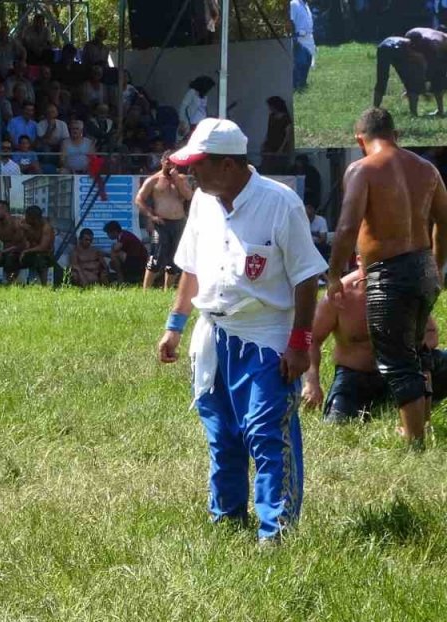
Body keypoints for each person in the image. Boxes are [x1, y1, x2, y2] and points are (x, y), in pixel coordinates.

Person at [156, 118, 326, 543]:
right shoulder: (202, 203)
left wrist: (300, 344)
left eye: (199, 164)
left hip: (267, 334)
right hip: (213, 334)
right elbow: (190, 269)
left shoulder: (280, 203)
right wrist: (174, 327)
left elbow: (307, 278)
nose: (191, 173)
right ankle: (227, 522)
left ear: (229, 165)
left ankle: (276, 532)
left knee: (267, 433)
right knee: (222, 434)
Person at [328, 108, 447, 447]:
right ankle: (418, 425)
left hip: (389, 273)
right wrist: (436, 266)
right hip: (423, 267)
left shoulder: (361, 169)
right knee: (417, 350)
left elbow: (348, 225)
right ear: (396, 135)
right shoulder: (427, 169)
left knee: (396, 360)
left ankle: (415, 440)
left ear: (359, 139)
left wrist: (335, 273)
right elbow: (444, 220)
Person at [304, 268, 447, 424]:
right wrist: (312, 382)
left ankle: (418, 402)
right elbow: (312, 340)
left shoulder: (405, 288)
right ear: (359, 260)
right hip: (356, 377)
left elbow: (431, 335)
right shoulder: (339, 294)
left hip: (402, 371)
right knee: (337, 422)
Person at [135, 153, 193, 290]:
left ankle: (167, 289)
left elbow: (189, 195)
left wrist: (176, 180)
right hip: (161, 223)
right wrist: (151, 216)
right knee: (157, 257)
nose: (170, 165)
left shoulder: (181, 179)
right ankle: (145, 290)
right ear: (162, 161)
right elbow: (139, 199)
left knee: (175, 259)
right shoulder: (153, 180)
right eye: (167, 162)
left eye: (172, 162)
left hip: (179, 222)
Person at [373, 35, 439, 117]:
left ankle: (374, 109)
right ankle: (413, 113)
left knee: (382, 80)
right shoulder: (419, 52)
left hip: (384, 46)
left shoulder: (416, 48)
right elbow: (420, 72)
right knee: (411, 84)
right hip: (393, 49)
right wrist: (422, 90)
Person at [15, 205, 56, 286]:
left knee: (40, 258)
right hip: (30, 252)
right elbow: (19, 241)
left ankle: (44, 286)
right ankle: (12, 282)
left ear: (34, 219)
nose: (25, 219)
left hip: (45, 255)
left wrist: (26, 251)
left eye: (27, 217)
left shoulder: (46, 228)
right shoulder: (25, 223)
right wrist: (21, 229)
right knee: (13, 256)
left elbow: (43, 247)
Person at [105, 221, 148, 285]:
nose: (107, 235)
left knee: (115, 254)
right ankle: (127, 278)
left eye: (108, 233)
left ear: (114, 231)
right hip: (133, 260)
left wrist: (112, 247)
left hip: (139, 261)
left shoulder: (124, 235)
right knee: (112, 263)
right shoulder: (122, 236)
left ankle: (121, 279)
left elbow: (115, 249)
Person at [288, 0, 315, 90]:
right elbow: (291, 20)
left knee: (308, 61)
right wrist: (294, 37)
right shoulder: (294, 3)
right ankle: (295, 85)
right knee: (300, 62)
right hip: (299, 38)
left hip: (309, 37)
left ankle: (303, 83)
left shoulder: (306, 5)